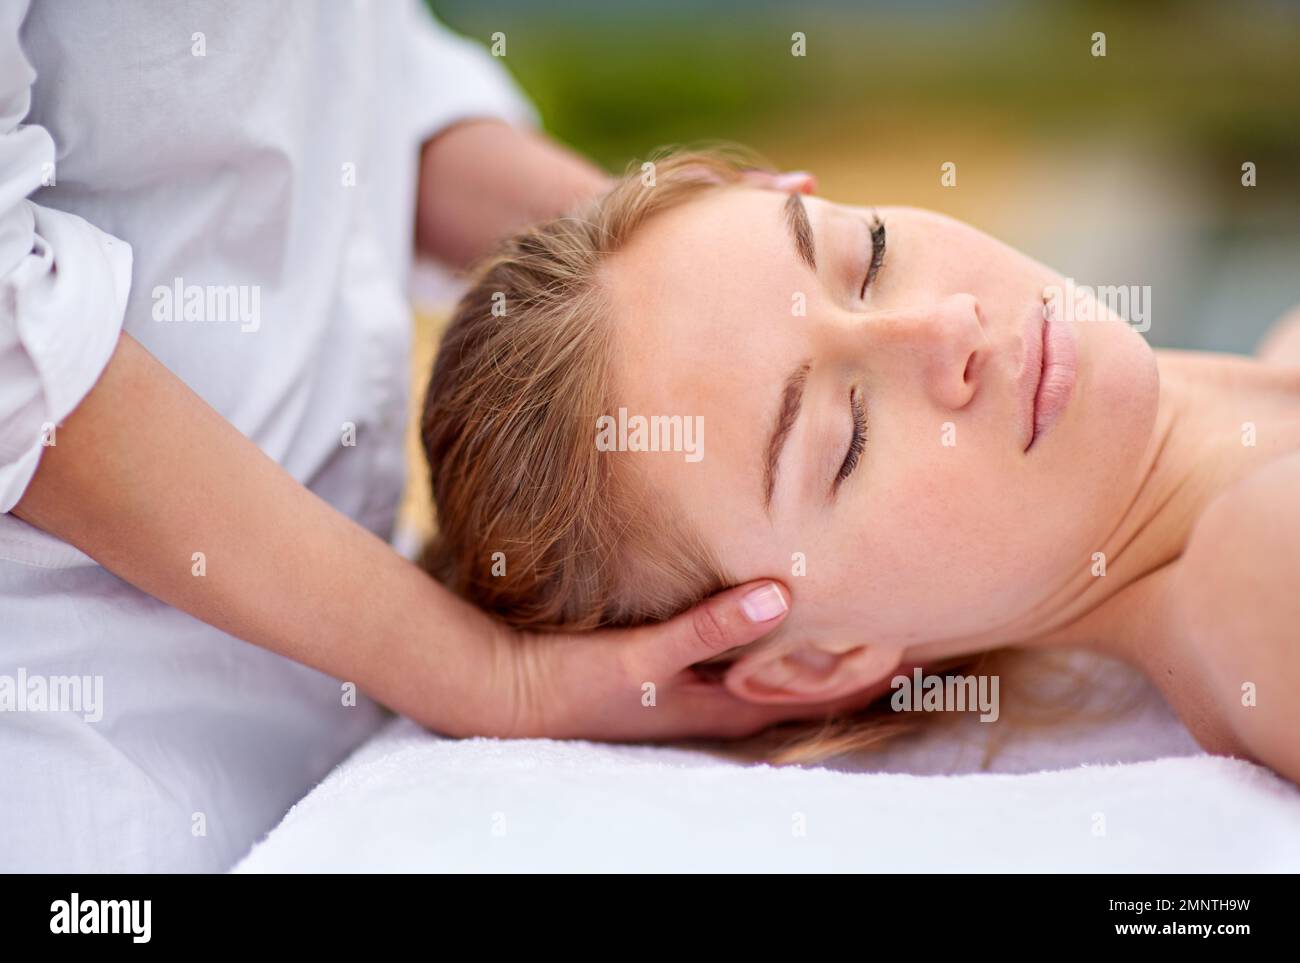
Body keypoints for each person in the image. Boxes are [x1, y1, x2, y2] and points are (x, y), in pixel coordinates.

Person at [0, 4, 833, 872]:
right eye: (842, 442)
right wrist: (490, 677)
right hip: (92, 757)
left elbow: (353, 89)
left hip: (348, 688)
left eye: (871, 255)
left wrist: (688, 268)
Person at [420, 149, 1300, 782]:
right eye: (849, 439)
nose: (946, 328)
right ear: (815, 662)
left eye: (869, 257)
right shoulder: (1251, 578)